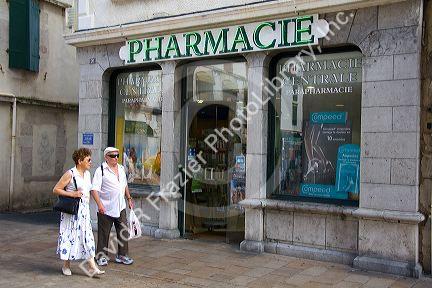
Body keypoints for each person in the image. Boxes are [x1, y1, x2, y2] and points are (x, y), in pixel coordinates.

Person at [53, 148, 104, 276]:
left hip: (84, 212)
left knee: (87, 237)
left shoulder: (87, 174)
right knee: (70, 237)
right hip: (72, 212)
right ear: (80, 160)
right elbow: (56, 189)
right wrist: (73, 194)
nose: (91, 162)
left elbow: (89, 191)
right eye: (88, 160)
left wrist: (98, 204)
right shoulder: (70, 173)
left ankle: (92, 266)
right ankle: (66, 265)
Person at [91, 147, 134, 266]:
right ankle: (100, 257)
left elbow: (124, 185)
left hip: (120, 206)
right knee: (104, 233)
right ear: (106, 157)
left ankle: (122, 255)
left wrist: (129, 198)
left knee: (123, 231)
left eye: (117, 156)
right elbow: (94, 189)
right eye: (112, 156)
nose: (115, 158)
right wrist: (99, 205)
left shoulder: (120, 168)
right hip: (106, 207)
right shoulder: (101, 170)